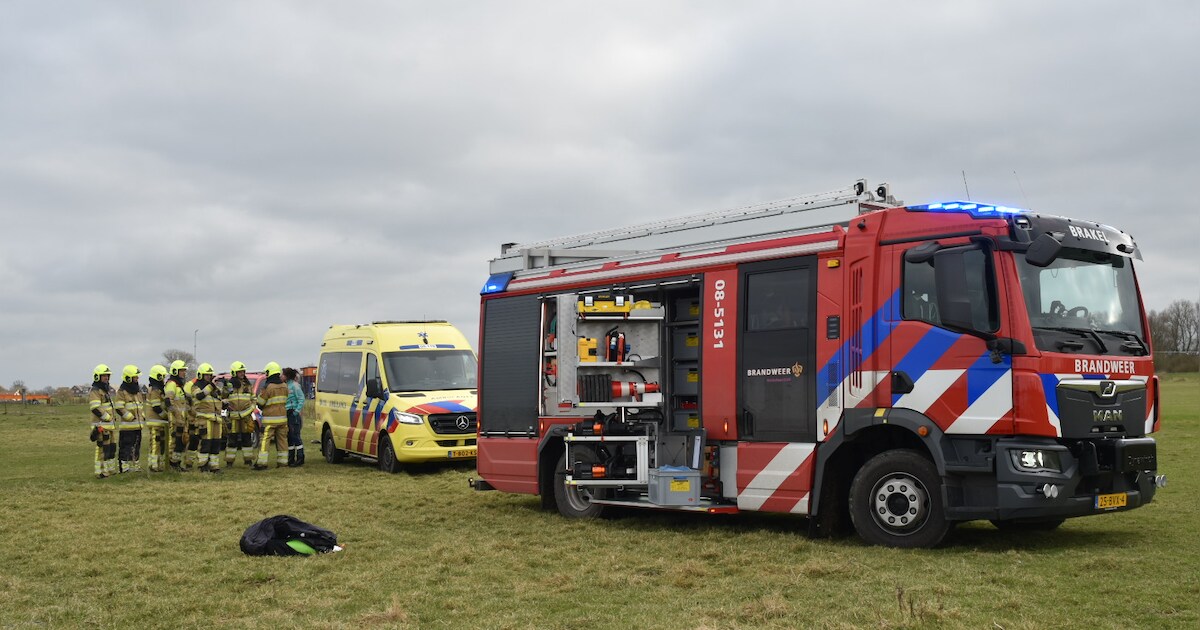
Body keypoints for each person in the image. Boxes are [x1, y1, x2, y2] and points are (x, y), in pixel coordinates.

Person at [186, 363, 223, 473]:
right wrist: (211, 386)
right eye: (206, 375)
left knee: (216, 443)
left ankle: (214, 466)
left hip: (216, 420)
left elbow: (218, 400)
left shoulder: (213, 389)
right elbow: (199, 396)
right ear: (200, 375)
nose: (209, 377)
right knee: (205, 443)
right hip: (204, 420)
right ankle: (202, 465)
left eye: (210, 375)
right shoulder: (195, 386)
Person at [254, 362, 289, 470]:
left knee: (265, 440)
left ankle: (262, 463)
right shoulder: (284, 385)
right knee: (282, 440)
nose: (266, 375)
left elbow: (260, 402)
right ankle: (283, 462)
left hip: (270, 420)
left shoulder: (268, 387)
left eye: (267, 373)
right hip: (282, 419)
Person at [223, 361, 257, 467]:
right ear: (234, 372)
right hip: (233, 417)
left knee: (247, 439)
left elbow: (253, 399)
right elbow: (223, 398)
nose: (242, 373)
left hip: (246, 417)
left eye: (243, 371)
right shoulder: (229, 385)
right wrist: (225, 389)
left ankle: (248, 461)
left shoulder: (247, 385)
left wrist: (250, 410)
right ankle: (229, 462)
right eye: (240, 372)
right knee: (232, 440)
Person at [88, 364, 118, 478]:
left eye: (107, 375)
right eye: (104, 375)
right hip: (101, 425)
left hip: (109, 425)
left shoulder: (105, 390)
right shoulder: (95, 390)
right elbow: (95, 407)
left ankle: (109, 469)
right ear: (97, 377)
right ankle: (100, 471)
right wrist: (107, 417)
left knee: (110, 447)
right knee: (101, 448)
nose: (106, 377)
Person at [114, 365, 146, 473]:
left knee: (136, 447)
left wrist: (142, 417)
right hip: (127, 427)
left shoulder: (137, 391)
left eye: (137, 377)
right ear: (128, 378)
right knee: (126, 448)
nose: (137, 379)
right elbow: (119, 407)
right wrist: (130, 418)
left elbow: (140, 406)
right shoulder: (122, 391)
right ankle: (125, 468)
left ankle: (136, 467)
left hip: (138, 426)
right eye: (135, 377)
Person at [164, 360, 190, 471]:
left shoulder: (180, 386)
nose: (184, 373)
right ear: (175, 371)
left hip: (182, 420)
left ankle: (177, 463)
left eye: (184, 370)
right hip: (175, 420)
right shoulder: (172, 384)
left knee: (181, 442)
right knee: (174, 442)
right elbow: (168, 402)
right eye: (182, 370)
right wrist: (175, 416)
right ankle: (172, 464)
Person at [144, 365, 170, 472]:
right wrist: (167, 416)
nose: (164, 380)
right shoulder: (155, 390)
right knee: (156, 443)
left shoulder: (159, 389)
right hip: (155, 421)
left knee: (161, 444)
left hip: (160, 422)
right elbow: (156, 407)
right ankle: (154, 465)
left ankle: (159, 464)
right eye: (162, 377)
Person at [283, 367, 306, 467]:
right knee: (290, 437)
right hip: (287, 413)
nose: (280, 376)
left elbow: (301, 399)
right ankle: (291, 458)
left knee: (295, 436)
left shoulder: (295, 386)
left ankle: (300, 457)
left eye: (282, 374)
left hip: (293, 413)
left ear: (287, 376)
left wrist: (296, 412)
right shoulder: (286, 386)